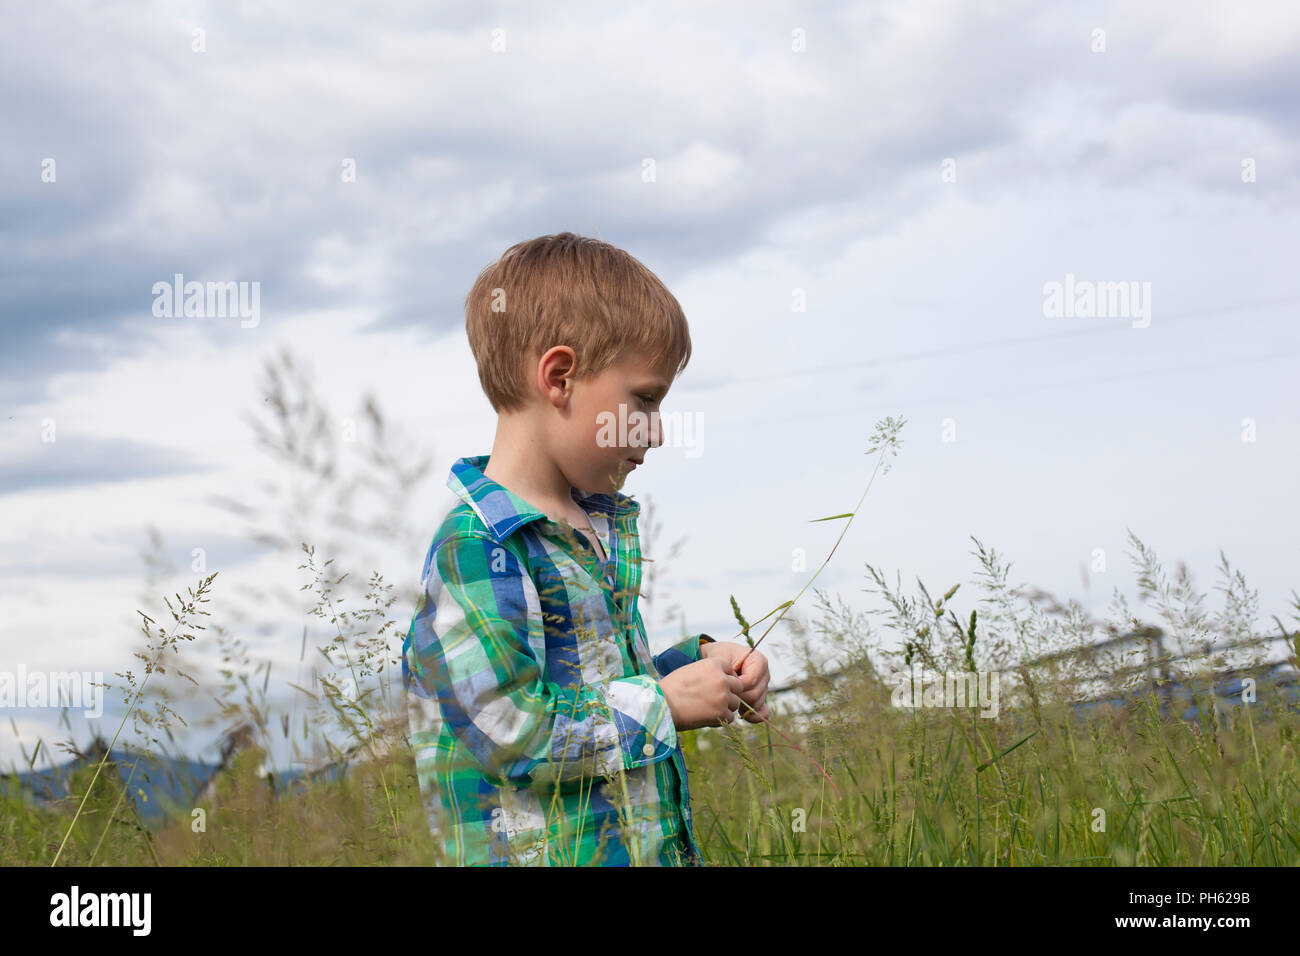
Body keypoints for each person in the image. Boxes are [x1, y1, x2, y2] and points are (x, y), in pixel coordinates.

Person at [401, 231, 770, 866]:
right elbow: (507, 727)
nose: (655, 431)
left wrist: (697, 664)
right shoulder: (480, 548)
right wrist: (664, 705)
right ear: (561, 376)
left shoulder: (587, 528)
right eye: (645, 399)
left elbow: (592, 687)